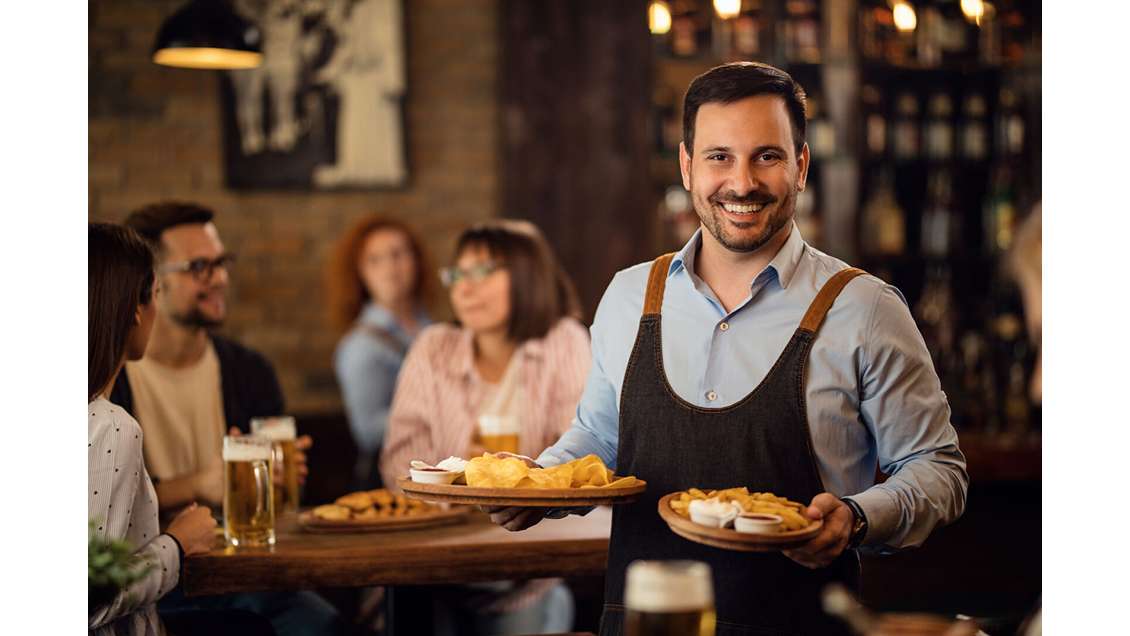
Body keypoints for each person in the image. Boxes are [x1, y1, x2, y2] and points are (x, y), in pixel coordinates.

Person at [488, 62, 969, 636]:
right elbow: (600, 437)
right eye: (719, 156)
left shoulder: (863, 308)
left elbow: (938, 469)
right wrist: (538, 483)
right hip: (646, 621)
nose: (742, 183)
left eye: (766, 155)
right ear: (687, 166)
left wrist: (859, 518)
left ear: (802, 166)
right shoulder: (629, 296)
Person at [108, 202, 343, 636]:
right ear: (151, 284)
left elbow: (282, 501)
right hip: (154, 582)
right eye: (199, 267)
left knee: (323, 624)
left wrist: (280, 477)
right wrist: (199, 484)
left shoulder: (248, 370)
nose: (219, 278)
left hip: (248, 572)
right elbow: (105, 510)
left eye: (221, 263)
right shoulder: (109, 379)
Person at [380, 219, 590, 635]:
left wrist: (512, 477)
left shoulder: (563, 341)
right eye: (458, 273)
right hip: (436, 559)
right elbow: (397, 463)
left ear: (527, 276)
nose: (464, 287)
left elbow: (581, 460)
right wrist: (461, 476)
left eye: (483, 271)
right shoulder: (434, 346)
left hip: (526, 567)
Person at [88, 223, 270, 636]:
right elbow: (90, 599)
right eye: (153, 295)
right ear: (137, 309)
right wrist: (178, 543)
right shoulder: (111, 426)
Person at [329, 215, 433, 490]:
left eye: (399, 254)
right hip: (392, 482)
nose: (390, 268)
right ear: (360, 272)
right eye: (374, 259)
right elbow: (367, 431)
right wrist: (438, 412)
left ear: (416, 261)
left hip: (440, 472)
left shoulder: (432, 329)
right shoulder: (361, 345)